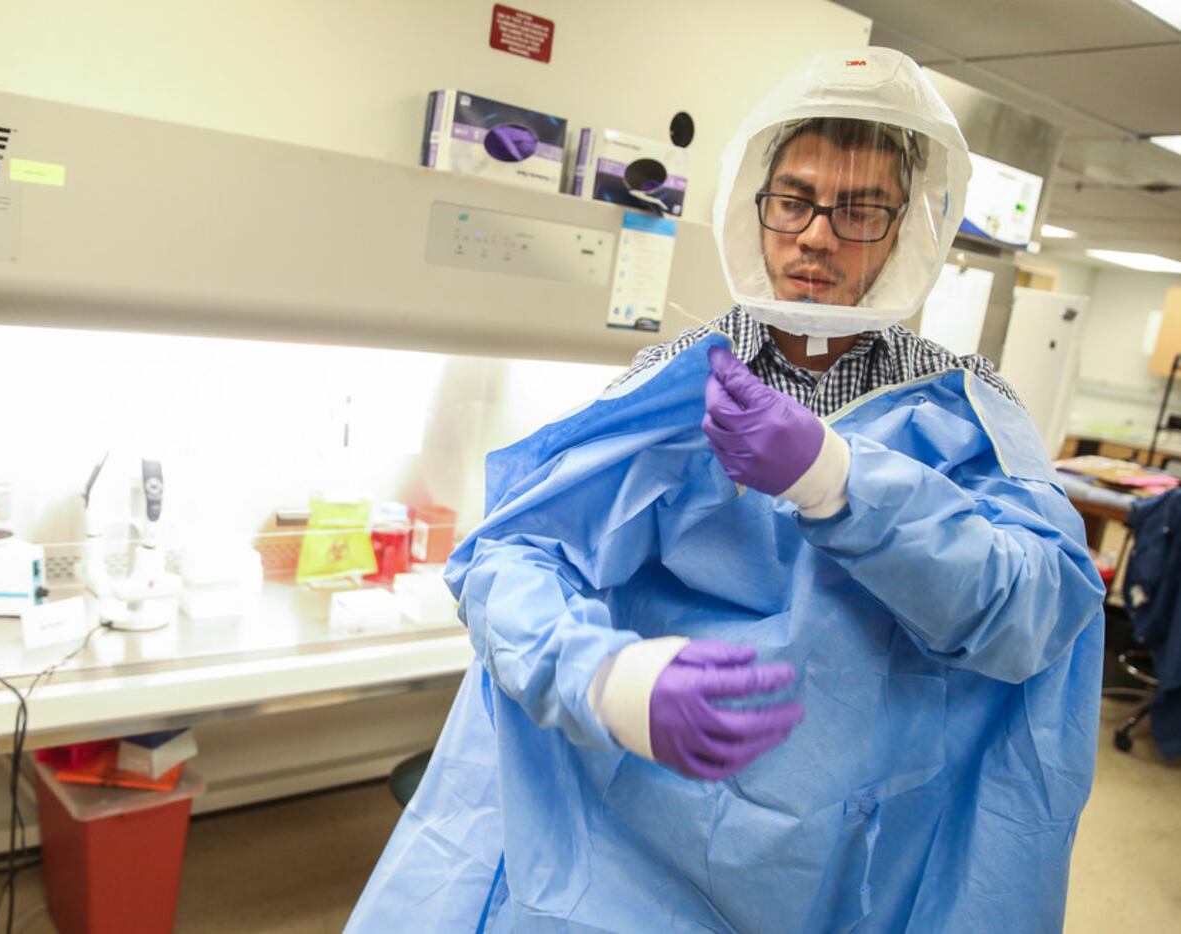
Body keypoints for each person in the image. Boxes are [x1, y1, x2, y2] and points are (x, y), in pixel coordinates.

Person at [348, 48, 1103, 932]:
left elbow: (1038, 612)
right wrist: (607, 678)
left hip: (860, 864)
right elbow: (508, 557)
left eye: (859, 209)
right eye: (794, 201)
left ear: (907, 229)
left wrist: (839, 478)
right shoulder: (678, 381)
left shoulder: (966, 410)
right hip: (632, 854)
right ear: (758, 206)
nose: (816, 236)